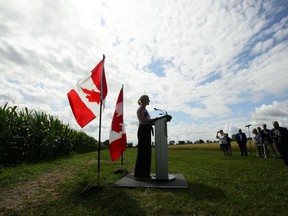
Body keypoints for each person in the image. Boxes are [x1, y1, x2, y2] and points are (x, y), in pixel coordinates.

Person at [134, 95, 153, 180]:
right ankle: (139, 174)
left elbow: (147, 120)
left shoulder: (144, 109)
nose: (149, 101)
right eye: (148, 99)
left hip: (146, 130)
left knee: (147, 152)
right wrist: (153, 120)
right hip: (143, 130)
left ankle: (145, 174)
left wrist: (152, 121)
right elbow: (143, 120)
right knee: (143, 152)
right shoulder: (141, 109)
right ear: (144, 100)